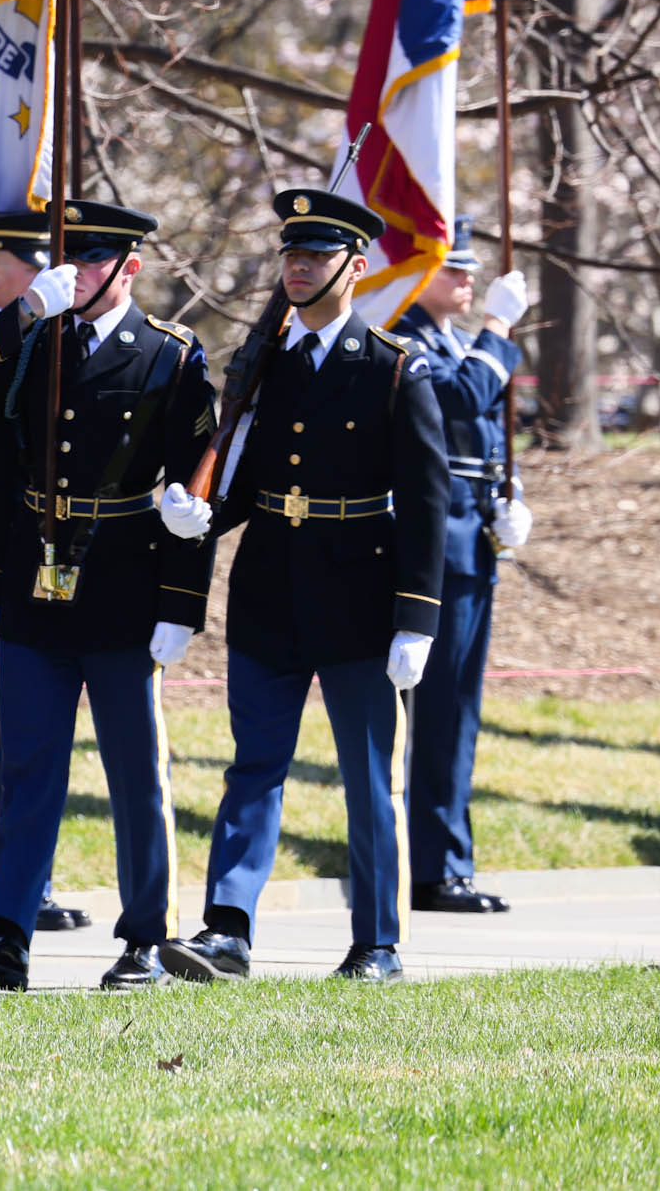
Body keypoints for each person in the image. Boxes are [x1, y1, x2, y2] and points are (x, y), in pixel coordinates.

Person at [0, 201, 218, 993]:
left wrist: (181, 605)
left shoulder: (170, 357)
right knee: (22, 766)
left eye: (90, 263)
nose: (72, 275)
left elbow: (198, 487)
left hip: (126, 583)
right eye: (67, 261)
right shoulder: (33, 339)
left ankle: (145, 938)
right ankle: (6, 932)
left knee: (135, 774)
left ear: (129, 269)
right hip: (34, 582)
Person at [163, 189, 449, 986]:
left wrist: (417, 618)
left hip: (360, 595)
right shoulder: (269, 365)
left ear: (356, 269)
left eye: (316, 258)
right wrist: (203, 516)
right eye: (290, 256)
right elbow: (248, 481)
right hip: (270, 590)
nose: (297, 269)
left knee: (366, 778)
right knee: (253, 766)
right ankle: (228, 929)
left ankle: (378, 942)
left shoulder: (395, 369)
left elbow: (428, 502)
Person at [0, 207, 93, 938]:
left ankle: (20, 886)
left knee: (23, 744)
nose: (56, 280)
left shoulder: (55, 334)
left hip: (41, 560)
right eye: (38, 268)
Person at [398, 219, 533, 914]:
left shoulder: (453, 342)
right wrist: (498, 331)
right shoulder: (409, 340)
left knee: (460, 714)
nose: (468, 280)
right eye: (453, 269)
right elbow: (457, 401)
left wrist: (513, 501)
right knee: (441, 714)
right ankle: (434, 867)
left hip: (472, 545)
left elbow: (481, 438)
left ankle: (447, 858)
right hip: (434, 554)